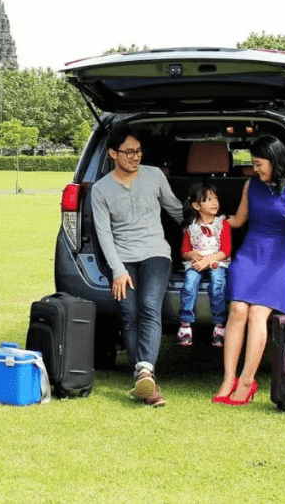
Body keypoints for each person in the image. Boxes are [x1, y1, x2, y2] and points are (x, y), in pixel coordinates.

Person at [213, 135, 285, 406]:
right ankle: (228, 378)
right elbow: (240, 220)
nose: (255, 169)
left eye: (259, 163)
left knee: (258, 313)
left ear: (274, 160)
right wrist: (208, 221)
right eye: (254, 164)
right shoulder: (250, 185)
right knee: (237, 310)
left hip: (280, 256)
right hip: (250, 253)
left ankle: (247, 381)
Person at [91, 124, 183, 407]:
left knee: (148, 304)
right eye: (128, 152)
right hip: (122, 257)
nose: (135, 157)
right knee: (128, 312)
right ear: (112, 153)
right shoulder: (100, 189)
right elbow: (104, 233)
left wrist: (202, 230)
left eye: (139, 151)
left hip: (156, 253)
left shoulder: (154, 175)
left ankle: (144, 373)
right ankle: (145, 378)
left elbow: (175, 209)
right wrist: (117, 270)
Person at [177, 182, 231, 348]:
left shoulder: (222, 224)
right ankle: (185, 323)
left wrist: (208, 261)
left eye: (215, 198)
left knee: (218, 285)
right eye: (208, 200)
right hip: (197, 261)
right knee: (189, 284)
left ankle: (219, 325)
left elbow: (226, 250)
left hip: (217, 260)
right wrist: (191, 255)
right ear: (196, 205)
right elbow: (184, 250)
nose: (214, 203)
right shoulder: (191, 227)